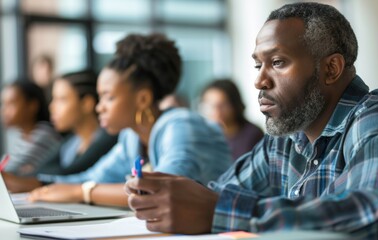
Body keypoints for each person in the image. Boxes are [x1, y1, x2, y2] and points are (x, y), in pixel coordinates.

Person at [125, 3, 378, 239]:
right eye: (258, 64)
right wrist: (174, 198)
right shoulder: (286, 139)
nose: (259, 80)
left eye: (278, 62)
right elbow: (219, 194)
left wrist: (219, 210)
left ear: (332, 68)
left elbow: (377, 219)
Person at [8, 33, 231, 207]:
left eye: (108, 96)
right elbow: (92, 177)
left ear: (143, 98)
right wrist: (31, 185)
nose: (99, 107)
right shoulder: (131, 137)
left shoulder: (180, 125)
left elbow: (162, 190)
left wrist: (82, 192)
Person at [2, 71, 118, 188]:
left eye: (61, 99)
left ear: (86, 104)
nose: (51, 107)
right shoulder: (70, 142)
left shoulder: (108, 137)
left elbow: (68, 172)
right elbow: (42, 169)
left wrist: (30, 175)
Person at [0, 80, 61, 176]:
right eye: (3, 104)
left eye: (11, 103)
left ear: (32, 105)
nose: (4, 110)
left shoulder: (44, 135)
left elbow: (10, 172)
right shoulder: (22, 136)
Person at [200, 79, 264, 160]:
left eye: (222, 105)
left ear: (234, 105)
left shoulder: (252, 134)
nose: (216, 112)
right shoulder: (202, 135)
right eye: (210, 106)